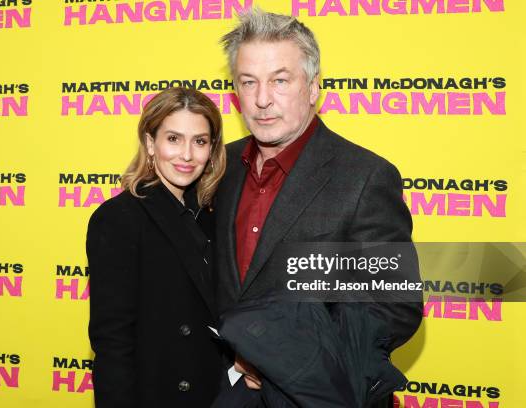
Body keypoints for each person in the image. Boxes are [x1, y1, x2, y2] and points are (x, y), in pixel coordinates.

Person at [213, 9, 423, 407]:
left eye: (280, 80)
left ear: (313, 88)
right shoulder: (218, 168)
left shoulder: (365, 177)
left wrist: (277, 352)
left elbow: (394, 307)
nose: (261, 99)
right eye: (248, 82)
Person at [86, 87, 227, 408]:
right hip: (157, 393)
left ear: (212, 149)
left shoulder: (211, 215)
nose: (187, 155)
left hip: (215, 394)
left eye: (200, 141)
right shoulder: (118, 219)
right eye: (173, 139)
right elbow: (112, 342)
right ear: (151, 143)